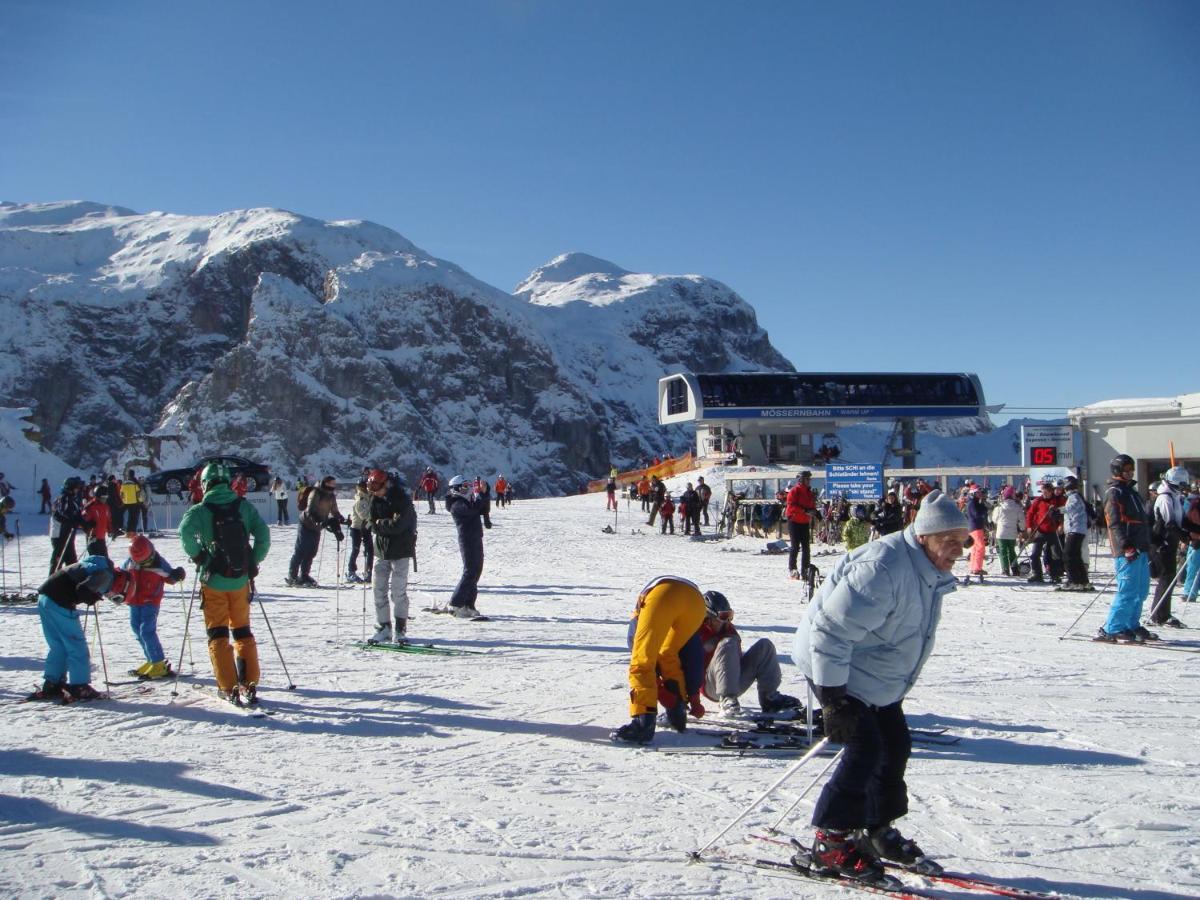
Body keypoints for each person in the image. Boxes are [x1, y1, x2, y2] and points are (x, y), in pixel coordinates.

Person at [792, 490, 967, 883]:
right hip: (833, 663)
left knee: (895, 744)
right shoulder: (883, 568)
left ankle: (874, 828)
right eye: (949, 541)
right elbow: (830, 634)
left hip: (873, 670)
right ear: (925, 536)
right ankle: (831, 840)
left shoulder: (925, 567)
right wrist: (834, 700)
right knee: (865, 747)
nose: (958, 550)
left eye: (963, 541)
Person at [178, 462, 271, 704]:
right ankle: (249, 682)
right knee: (242, 631)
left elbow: (185, 533)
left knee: (217, 634)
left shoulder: (200, 510)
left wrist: (201, 558)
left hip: (214, 581)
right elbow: (263, 535)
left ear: (205, 483)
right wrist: (252, 562)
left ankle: (228, 686)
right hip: (240, 580)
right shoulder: (244, 507)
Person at [611, 576, 708, 744]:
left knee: (641, 661)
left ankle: (643, 724)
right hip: (697, 602)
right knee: (667, 653)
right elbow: (691, 656)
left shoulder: (634, 631)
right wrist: (688, 697)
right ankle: (677, 712)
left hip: (665, 594)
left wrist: (656, 686)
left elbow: (641, 659)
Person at [28, 554, 128, 701]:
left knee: (58, 646)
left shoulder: (94, 566)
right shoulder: (107, 575)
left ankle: (52, 684)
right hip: (60, 601)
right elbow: (82, 589)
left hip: (45, 597)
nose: (110, 595)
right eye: (115, 595)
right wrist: (90, 597)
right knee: (76, 646)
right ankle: (79, 686)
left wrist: (90, 594)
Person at [697, 590, 801, 718]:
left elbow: (734, 659)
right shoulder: (696, 632)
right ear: (708, 617)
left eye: (730, 615)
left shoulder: (728, 629)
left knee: (765, 646)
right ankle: (727, 700)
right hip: (709, 685)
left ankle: (769, 698)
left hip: (732, 680)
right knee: (728, 642)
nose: (727, 620)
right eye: (723, 616)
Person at [1097, 454, 1155, 643]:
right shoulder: (1115, 492)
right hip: (1127, 549)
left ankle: (1130, 624)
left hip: (1140, 546)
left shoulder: (1131, 491)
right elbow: (1113, 522)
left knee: (1141, 590)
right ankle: (1111, 628)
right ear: (1117, 471)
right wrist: (1126, 545)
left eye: (1131, 470)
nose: (1130, 473)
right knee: (1128, 590)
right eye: (1126, 470)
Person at [119, 534, 186, 678]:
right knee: (136, 629)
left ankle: (159, 663)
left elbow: (170, 577)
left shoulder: (158, 563)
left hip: (150, 602)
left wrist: (177, 574)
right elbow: (122, 573)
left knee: (146, 631)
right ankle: (150, 660)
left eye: (146, 561)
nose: (144, 564)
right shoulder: (130, 562)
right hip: (133, 601)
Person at [369, 469, 418, 641]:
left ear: (386, 484)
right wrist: (384, 524)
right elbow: (371, 524)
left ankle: (400, 628)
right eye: (371, 486)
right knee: (378, 590)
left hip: (400, 551)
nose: (373, 490)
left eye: (376, 486)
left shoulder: (401, 499)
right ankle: (384, 626)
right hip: (381, 551)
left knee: (398, 591)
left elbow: (399, 525)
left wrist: (381, 523)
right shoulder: (375, 500)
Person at [1149, 466, 1190, 627]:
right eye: (1181, 484)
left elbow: (1183, 521)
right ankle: (1159, 615)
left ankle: (1163, 613)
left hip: (1170, 542)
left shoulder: (1175, 496)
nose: (1183, 488)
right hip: (1162, 543)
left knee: (1170, 578)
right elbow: (1170, 523)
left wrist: (1194, 530)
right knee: (1166, 578)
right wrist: (1184, 536)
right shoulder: (1165, 497)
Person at [286, 475, 343, 587]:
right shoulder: (316, 493)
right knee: (301, 550)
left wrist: (342, 519)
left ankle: (304, 575)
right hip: (306, 524)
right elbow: (310, 511)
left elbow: (335, 511)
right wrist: (317, 521)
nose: (332, 486)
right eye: (330, 483)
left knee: (311, 551)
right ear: (325, 483)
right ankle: (292, 575)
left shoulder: (331, 496)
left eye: (333, 484)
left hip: (317, 527)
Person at [446, 475, 488, 619]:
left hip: (476, 537)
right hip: (467, 539)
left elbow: (481, 508)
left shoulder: (466, 500)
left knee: (476, 572)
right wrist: (480, 495)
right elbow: (473, 510)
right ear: (456, 488)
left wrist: (484, 493)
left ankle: (469, 604)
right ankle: (456, 603)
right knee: (470, 571)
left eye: (469, 485)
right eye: (465, 486)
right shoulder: (456, 504)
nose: (468, 489)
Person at [1024, 481, 1064, 583]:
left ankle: (1055, 575)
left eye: (1047, 492)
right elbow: (1030, 514)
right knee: (1035, 554)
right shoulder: (1038, 501)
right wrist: (1029, 526)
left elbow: (1063, 514)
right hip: (1040, 530)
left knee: (1055, 554)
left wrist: (1061, 525)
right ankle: (1037, 574)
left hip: (1053, 531)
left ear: (1051, 492)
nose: (1044, 494)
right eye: (1043, 492)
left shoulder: (1057, 501)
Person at [1060, 476, 1092, 590]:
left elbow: (1071, 508)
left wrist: (1057, 510)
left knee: (1068, 555)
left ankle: (1074, 580)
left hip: (1075, 529)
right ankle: (1083, 581)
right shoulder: (1077, 496)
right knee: (1076, 556)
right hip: (1079, 529)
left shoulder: (1073, 497)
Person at [49, 477, 86, 574]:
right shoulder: (62, 499)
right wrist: (71, 522)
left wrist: (85, 524)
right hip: (59, 534)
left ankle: (70, 583)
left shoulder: (73, 500)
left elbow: (77, 515)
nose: (77, 489)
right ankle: (51, 582)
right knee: (58, 558)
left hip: (68, 533)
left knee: (71, 560)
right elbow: (59, 515)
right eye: (76, 487)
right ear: (71, 488)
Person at [786, 471, 817, 580]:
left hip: (804, 522)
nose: (809, 481)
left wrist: (814, 512)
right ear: (801, 480)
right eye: (807, 479)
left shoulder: (809, 493)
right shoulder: (794, 491)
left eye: (809, 479)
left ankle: (805, 569)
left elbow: (812, 505)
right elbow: (791, 506)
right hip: (794, 521)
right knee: (795, 546)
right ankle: (792, 569)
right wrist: (805, 510)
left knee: (806, 547)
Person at [347, 478, 375, 583]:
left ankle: (368, 571)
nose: (364, 488)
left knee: (370, 550)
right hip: (357, 528)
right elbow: (364, 515)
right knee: (356, 550)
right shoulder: (360, 499)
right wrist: (374, 518)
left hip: (366, 527)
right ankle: (351, 571)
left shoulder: (369, 496)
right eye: (361, 486)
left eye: (365, 485)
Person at [991, 486, 1024, 576]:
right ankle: (1015, 568)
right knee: (1011, 550)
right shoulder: (1017, 507)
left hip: (1001, 532)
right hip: (1012, 532)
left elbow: (994, 519)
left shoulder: (1000, 507)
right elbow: (1022, 520)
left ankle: (1005, 569)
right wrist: (1022, 528)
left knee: (1003, 551)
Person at [81, 485, 113, 558]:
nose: (105, 500)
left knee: (105, 561)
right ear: (98, 496)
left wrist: (110, 530)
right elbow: (82, 522)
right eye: (103, 498)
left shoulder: (105, 506)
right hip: (93, 539)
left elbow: (108, 520)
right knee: (95, 561)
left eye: (106, 498)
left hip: (101, 538)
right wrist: (89, 526)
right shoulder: (91, 506)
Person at [964, 486, 989, 580]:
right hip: (976, 527)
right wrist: (983, 508)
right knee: (980, 547)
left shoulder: (974, 502)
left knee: (975, 547)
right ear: (973, 493)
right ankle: (977, 568)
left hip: (975, 527)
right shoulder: (972, 503)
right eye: (978, 493)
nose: (980, 494)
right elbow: (977, 514)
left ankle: (973, 567)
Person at [120, 470, 141, 534]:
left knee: (129, 516)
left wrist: (123, 500)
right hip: (134, 502)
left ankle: (128, 530)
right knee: (134, 517)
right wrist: (140, 501)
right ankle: (133, 530)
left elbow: (121, 493)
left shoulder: (124, 483)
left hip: (126, 502)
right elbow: (138, 492)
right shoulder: (135, 482)